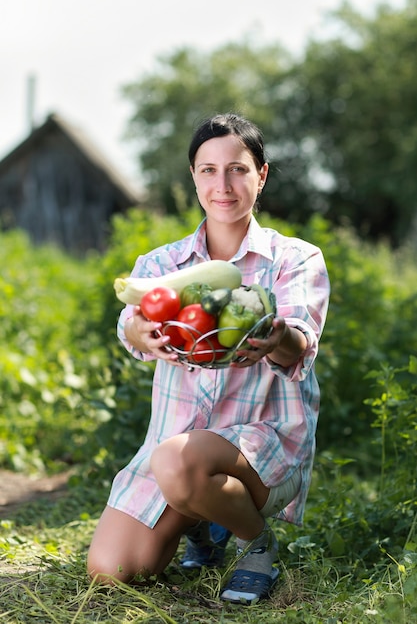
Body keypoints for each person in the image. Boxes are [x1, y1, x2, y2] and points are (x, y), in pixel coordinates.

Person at [87, 113, 330, 604]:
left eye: (238, 169)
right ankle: (205, 525)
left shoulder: (295, 259)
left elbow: (301, 342)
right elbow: (133, 320)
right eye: (208, 170)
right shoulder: (161, 264)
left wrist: (277, 335)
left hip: (261, 442)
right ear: (194, 176)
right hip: (177, 442)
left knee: (179, 461)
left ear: (261, 175)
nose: (223, 184)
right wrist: (136, 329)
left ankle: (255, 541)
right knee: (111, 570)